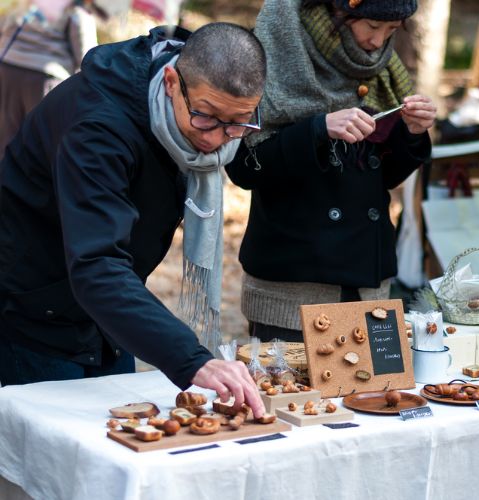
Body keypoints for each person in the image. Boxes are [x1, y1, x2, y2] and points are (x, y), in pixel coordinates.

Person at [0, 22, 267, 418]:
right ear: (173, 81)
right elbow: (98, 263)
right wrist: (192, 359)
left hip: (107, 316)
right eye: (206, 117)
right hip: (35, 313)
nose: (215, 139)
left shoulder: (201, 118)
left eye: (239, 122)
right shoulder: (97, 127)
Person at [227, 0, 436, 342]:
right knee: (292, 394)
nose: (378, 41)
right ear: (335, 12)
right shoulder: (271, 52)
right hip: (293, 283)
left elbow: (380, 178)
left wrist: (411, 134)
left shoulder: (380, 70)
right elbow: (245, 169)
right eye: (371, 26)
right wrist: (317, 129)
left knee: (369, 394)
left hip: (368, 281)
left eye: (391, 31)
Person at [0, 0, 99, 160]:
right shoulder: (75, 10)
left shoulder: (24, 3)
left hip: (7, 68)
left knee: (6, 142)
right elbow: (88, 58)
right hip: (46, 78)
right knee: (43, 145)